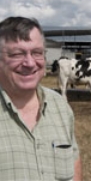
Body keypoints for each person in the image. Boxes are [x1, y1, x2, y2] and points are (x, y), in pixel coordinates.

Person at [0, 16, 82, 181]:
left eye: (37, 53)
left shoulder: (59, 105)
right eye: (17, 54)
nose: (30, 63)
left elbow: (74, 164)